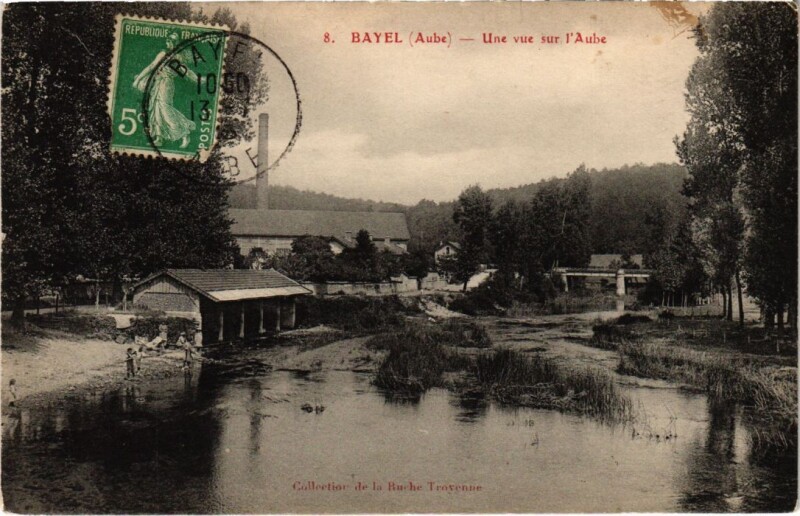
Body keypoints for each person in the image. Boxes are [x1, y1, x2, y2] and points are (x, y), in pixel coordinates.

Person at [132, 32, 197, 149]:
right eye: (167, 40)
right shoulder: (167, 54)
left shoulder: (176, 57)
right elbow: (152, 66)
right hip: (158, 82)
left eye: (170, 40)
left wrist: (196, 79)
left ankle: (185, 133)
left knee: (165, 109)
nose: (167, 42)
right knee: (155, 108)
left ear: (174, 43)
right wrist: (139, 79)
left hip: (166, 84)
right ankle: (159, 138)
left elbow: (184, 71)